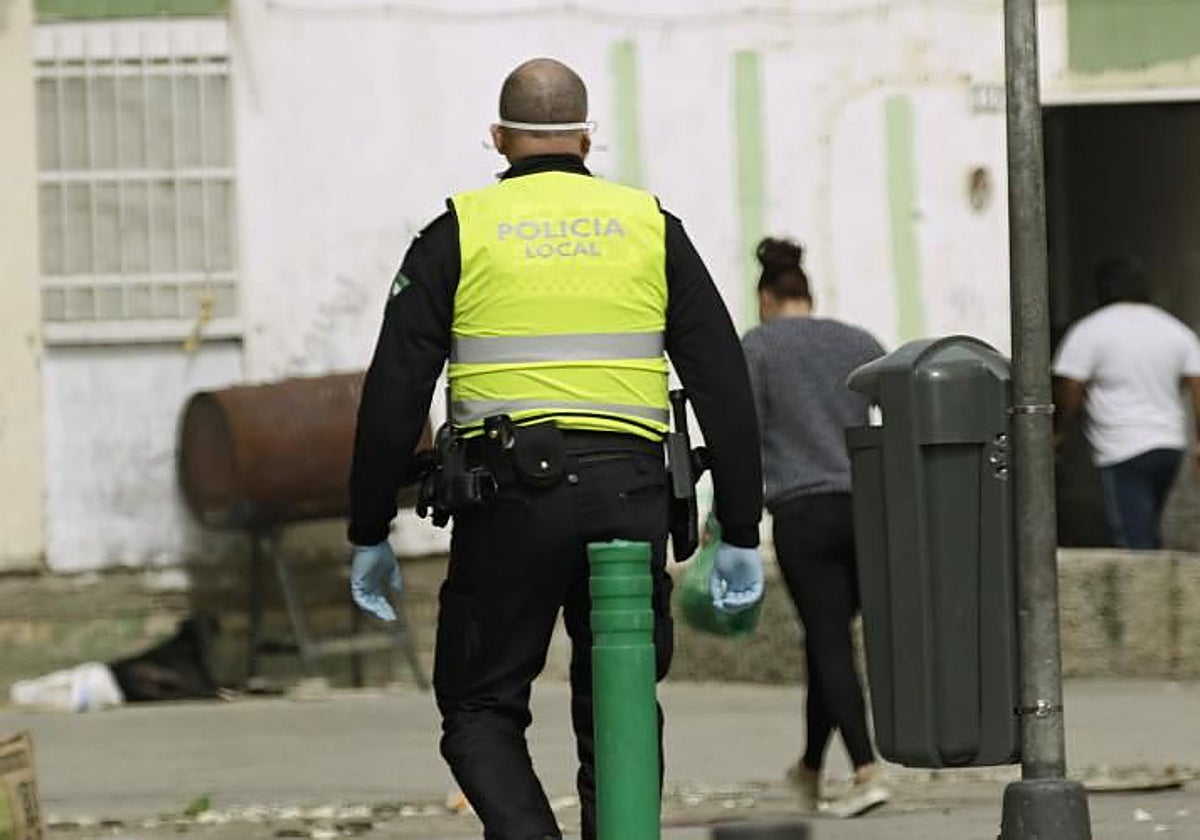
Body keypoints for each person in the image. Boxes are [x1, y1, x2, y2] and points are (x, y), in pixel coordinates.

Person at [345, 58, 765, 840]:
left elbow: (392, 393)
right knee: (621, 697)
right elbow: (724, 382)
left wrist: (370, 529)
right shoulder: (650, 227)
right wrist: (740, 527)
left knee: (478, 706)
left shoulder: (457, 232)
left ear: (499, 139)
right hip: (632, 498)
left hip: (507, 505)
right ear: (586, 137)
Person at [740, 237, 889, 818]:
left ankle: (867, 769)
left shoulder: (758, 346)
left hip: (802, 512)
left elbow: (743, 435)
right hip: (865, 506)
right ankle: (808, 769)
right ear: (809, 294)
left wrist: (725, 516)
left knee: (828, 640)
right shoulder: (859, 342)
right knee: (826, 643)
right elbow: (897, 412)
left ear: (765, 297)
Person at [1053, 257, 1200, 550]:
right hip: (1169, 445)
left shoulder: (1091, 331)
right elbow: (1197, 384)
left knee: (1133, 540)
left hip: (1122, 448)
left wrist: (1057, 431)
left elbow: (1070, 385)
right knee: (1146, 527)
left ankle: (1149, 595)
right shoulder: (1174, 330)